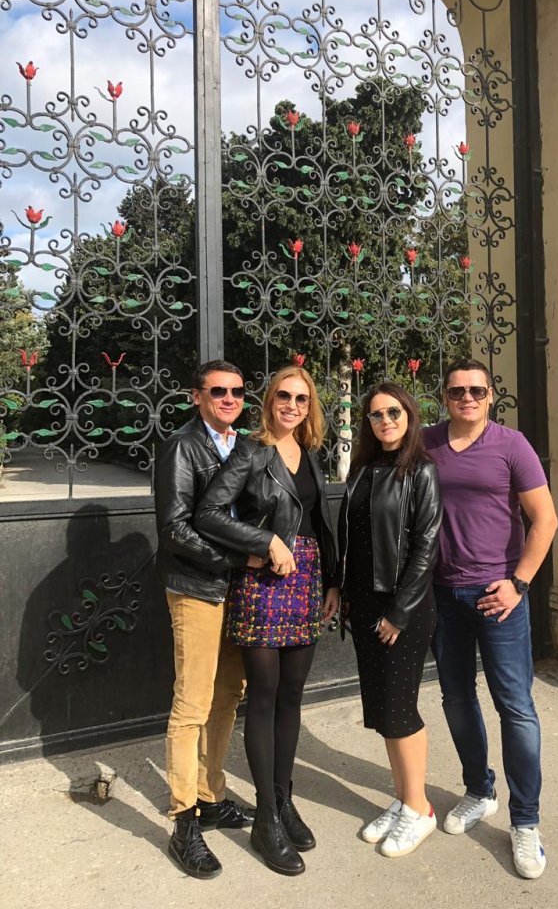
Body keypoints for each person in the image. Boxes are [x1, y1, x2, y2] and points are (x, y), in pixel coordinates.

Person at [195, 365, 339, 877]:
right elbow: (209, 513)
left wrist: (333, 581)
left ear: (310, 406)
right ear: (269, 400)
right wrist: (265, 542)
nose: (292, 406)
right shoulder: (251, 451)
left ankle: (282, 800)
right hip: (263, 579)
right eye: (284, 396)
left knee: (292, 697)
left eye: (301, 399)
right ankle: (265, 819)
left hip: (306, 577)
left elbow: (318, 521)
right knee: (264, 695)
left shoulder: (311, 453)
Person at [423, 358, 558, 880]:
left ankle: (525, 821)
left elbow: (545, 519)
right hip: (443, 593)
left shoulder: (511, 445)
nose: (467, 398)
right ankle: (479, 790)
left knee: (515, 707)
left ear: (490, 396)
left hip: (499, 595)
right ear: (444, 395)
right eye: (458, 391)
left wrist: (518, 583)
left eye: (477, 390)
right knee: (456, 699)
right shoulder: (427, 442)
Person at [154, 360, 256, 880]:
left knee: (228, 694)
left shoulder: (243, 445)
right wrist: (235, 561)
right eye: (218, 391)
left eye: (237, 390)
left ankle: (210, 795)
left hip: (236, 588)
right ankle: (183, 819)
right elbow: (174, 528)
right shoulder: (182, 446)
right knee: (192, 701)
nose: (229, 398)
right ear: (196, 396)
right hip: (197, 586)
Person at [338, 382, 442, 858]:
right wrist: (343, 590)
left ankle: (420, 809)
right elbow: (354, 537)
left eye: (394, 412)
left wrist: (399, 612)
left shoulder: (422, 471)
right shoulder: (363, 469)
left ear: (409, 416)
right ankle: (404, 800)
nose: (385, 421)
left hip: (404, 608)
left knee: (400, 710)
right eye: (377, 414)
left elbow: (426, 546)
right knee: (382, 710)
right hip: (364, 602)